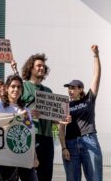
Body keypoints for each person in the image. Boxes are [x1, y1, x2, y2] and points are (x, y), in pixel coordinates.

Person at [59, 45, 102, 181]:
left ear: (80, 89)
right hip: (70, 144)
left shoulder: (89, 99)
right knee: (72, 178)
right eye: (68, 88)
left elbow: (96, 75)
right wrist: (63, 148)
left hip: (89, 139)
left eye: (73, 88)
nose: (70, 91)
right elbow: (61, 128)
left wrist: (96, 55)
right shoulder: (64, 105)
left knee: (94, 177)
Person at [0, 74, 38, 181]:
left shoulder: (26, 110)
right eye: (13, 86)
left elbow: (30, 135)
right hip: (5, 157)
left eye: (19, 87)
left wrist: (34, 157)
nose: (16, 89)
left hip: (24, 155)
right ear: (7, 88)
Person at [21, 53, 54, 181]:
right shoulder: (22, 87)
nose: (42, 68)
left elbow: (53, 117)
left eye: (43, 66)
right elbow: (15, 108)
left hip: (47, 137)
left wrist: (62, 120)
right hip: (31, 135)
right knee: (30, 174)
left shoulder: (49, 91)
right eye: (39, 65)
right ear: (31, 68)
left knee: (46, 175)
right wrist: (28, 111)